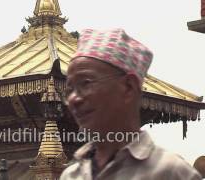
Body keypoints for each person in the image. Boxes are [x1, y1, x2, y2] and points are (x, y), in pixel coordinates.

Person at [60, 28, 201, 180]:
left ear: (129, 87)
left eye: (86, 83)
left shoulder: (171, 173)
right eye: (69, 90)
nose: (74, 99)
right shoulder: (72, 175)